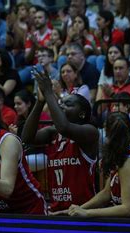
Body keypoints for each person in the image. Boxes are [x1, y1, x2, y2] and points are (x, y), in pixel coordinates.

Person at [52, 112, 130, 219]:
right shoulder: (123, 152)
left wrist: (87, 213)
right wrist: (77, 209)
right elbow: (107, 192)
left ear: (107, 134)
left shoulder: (129, 164)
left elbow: (127, 209)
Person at [22, 69, 99, 212]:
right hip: (57, 209)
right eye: (61, 103)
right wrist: (40, 101)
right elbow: (27, 138)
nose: (61, 106)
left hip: (83, 210)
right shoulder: (53, 132)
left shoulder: (90, 132)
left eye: (68, 104)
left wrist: (49, 92)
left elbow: (64, 127)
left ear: (82, 114)